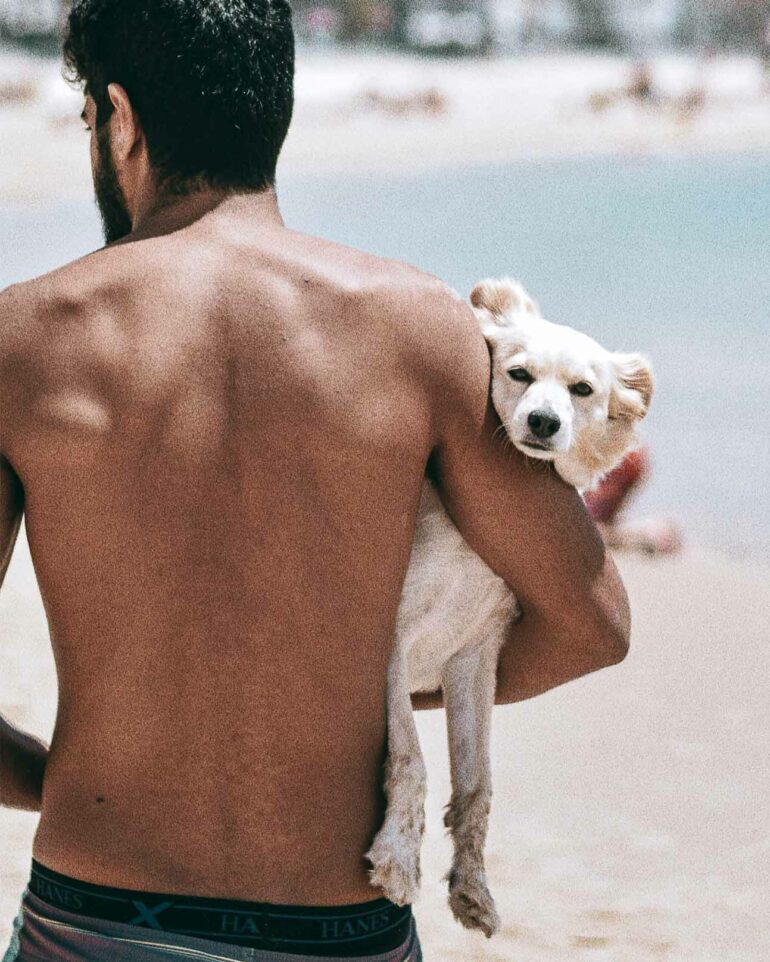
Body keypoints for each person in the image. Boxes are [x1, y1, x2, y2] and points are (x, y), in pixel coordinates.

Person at [0, 2, 631, 960]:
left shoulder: (24, 343)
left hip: (95, 918)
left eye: (89, 118)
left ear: (120, 119)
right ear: (274, 113)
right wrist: (342, 700)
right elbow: (592, 624)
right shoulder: (418, 330)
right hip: (342, 926)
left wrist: (59, 777)